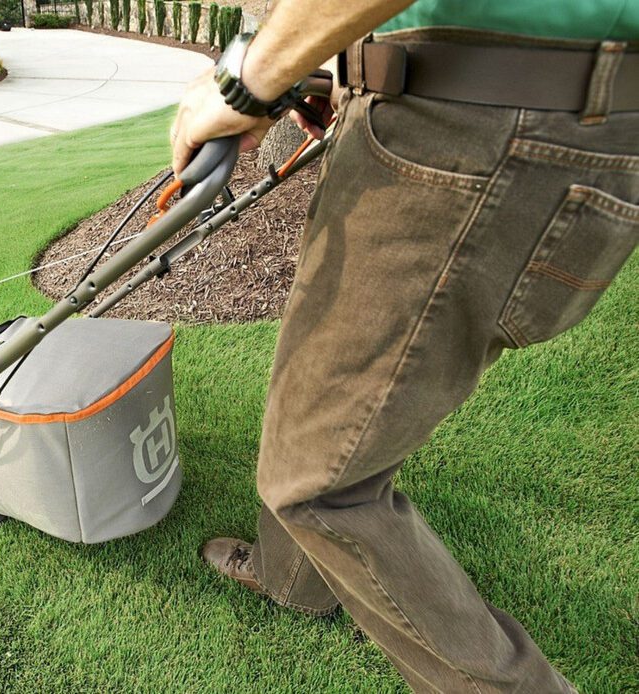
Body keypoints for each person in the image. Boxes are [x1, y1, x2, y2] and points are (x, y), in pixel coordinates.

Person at [171, 0, 638, 690]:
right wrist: (347, 67)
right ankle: (294, 579)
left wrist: (252, 74)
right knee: (319, 397)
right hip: (469, 105)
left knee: (317, 482)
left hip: (487, 122)